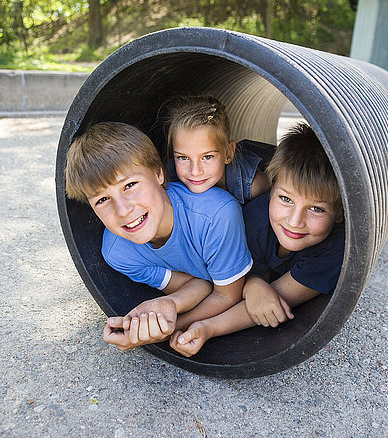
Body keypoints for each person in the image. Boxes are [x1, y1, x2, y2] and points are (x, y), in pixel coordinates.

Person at [65, 121, 253, 351]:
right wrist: (166, 304)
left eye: (130, 185)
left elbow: (227, 295)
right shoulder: (118, 253)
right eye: (102, 200)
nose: (123, 210)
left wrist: (165, 331)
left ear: (158, 173)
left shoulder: (217, 214)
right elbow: (198, 284)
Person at [170, 123, 345, 357]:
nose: (295, 221)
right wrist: (252, 284)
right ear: (271, 190)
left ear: (340, 214)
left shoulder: (335, 246)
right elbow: (237, 281)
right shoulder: (253, 218)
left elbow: (277, 300)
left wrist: (208, 328)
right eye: (285, 199)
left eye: (316, 209)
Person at [166, 95, 271, 203]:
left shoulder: (252, 183)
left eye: (207, 157)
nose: (195, 172)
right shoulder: (170, 175)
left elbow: (281, 186)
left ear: (228, 153)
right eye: (183, 157)